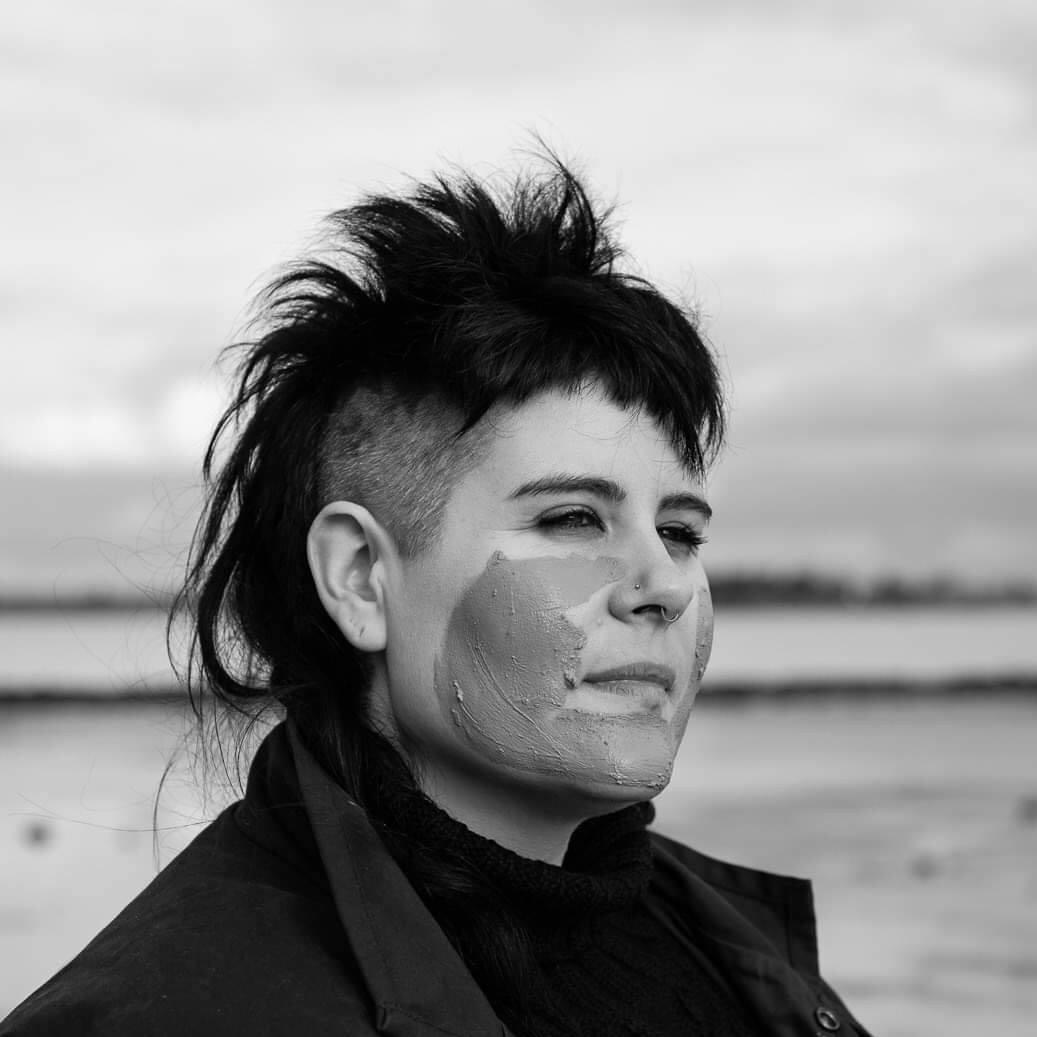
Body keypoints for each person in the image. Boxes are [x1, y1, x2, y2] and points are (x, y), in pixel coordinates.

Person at [0, 154, 872, 1037]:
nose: (666, 586)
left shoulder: (732, 950)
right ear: (360, 577)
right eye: (574, 518)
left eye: (680, 531)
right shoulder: (165, 1015)